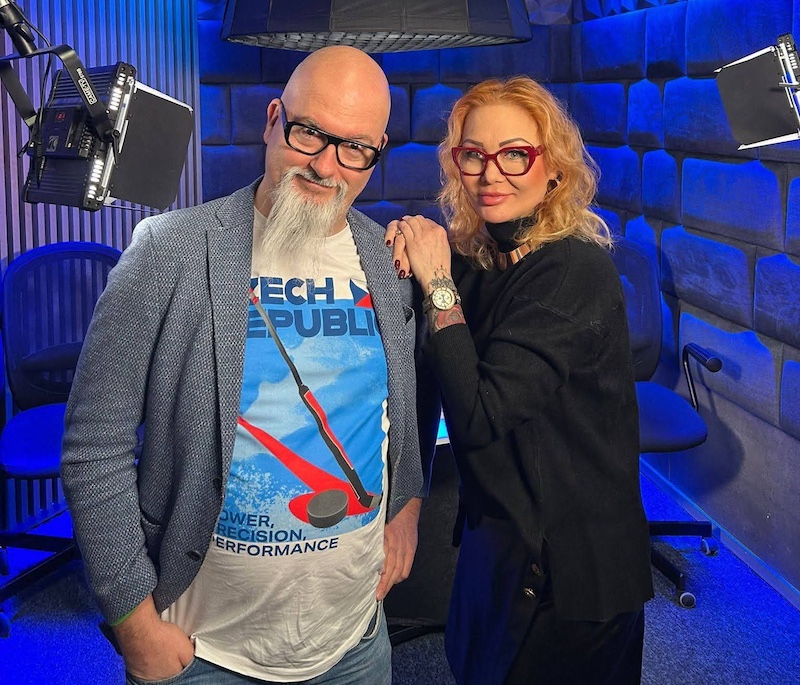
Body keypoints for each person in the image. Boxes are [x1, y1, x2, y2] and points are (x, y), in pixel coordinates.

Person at [61, 46, 428, 685]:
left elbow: (401, 402)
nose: (326, 165)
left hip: (354, 642)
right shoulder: (170, 251)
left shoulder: (387, 259)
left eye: (354, 148)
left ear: (377, 153)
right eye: (309, 132)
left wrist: (410, 502)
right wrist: (134, 626)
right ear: (273, 119)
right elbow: (94, 448)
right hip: (205, 652)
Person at [386, 76, 654, 684]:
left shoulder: (575, 271)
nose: (490, 174)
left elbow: (479, 417)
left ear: (552, 169)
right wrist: (412, 242)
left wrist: (437, 283)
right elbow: (434, 370)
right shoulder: (479, 261)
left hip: (574, 568)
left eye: (514, 154)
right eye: (473, 155)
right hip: (499, 539)